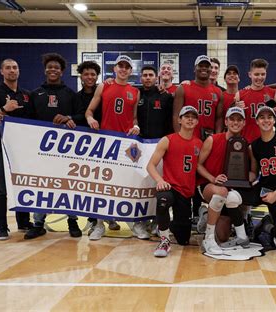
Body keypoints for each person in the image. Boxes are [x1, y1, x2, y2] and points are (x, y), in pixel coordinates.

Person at [25, 53, 84, 240]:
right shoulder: (35, 94)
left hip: (67, 150)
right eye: (50, 67)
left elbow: (80, 116)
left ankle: (72, 221)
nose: (53, 70)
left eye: (56, 68)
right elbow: (27, 121)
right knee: (42, 185)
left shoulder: (70, 94)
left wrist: (70, 118)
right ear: (45, 70)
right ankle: (38, 223)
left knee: (69, 186)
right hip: (42, 150)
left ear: (62, 71)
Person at [85, 54, 140, 240]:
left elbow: (134, 117)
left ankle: (132, 223)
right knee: (104, 185)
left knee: (126, 184)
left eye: (127, 67)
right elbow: (89, 110)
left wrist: (136, 126)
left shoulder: (135, 91)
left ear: (131, 71)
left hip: (125, 143)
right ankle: (100, 224)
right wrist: (91, 119)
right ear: (115, 68)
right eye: (120, 66)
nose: (123, 69)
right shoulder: (104, 85)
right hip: (106, 141)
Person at [0, 58, 32, 240]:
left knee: (23, 185)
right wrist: (4, 109)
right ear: (1, 71)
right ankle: (2, 228)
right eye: (8, 68)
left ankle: (24, 222)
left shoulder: (27, 95)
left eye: (15, 67)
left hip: (22, 149)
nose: (12, 70)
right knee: (1, 188)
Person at [146, 106, 203, 257]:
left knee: (183, 238)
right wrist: (159, 180)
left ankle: (164, 226)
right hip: (170, 187)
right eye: (186, 116)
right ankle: (164, 240)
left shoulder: (199, 144)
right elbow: (150, 165)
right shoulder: (168, 140)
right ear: (179, 120)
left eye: (193, 117)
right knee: (163, 200)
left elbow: (200, 168)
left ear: (197, 121)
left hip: (186, 193)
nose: (190, 119)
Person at [76, 60, 121, 234]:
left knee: (109, 181)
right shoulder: (76, 96)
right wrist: (83, 118)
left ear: (97, 76)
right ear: (80, 75)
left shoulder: (105, 89)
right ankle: (95, 220)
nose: (89, 77)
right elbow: (82, 114)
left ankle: (108, 217)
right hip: (85, 143)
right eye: (86, 74)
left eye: (93, 74)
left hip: (106, 141)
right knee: (92, 183)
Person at [197, 107, 250, 255]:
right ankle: (208, 239)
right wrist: (212, 178)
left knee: (223, 236)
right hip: (209, 184)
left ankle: (207, 216)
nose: (235, 122)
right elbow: (198, 165)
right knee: (220, 192)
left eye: (239, 120)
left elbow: (251, 171)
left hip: (230, 190)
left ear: (244, 123)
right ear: (226, 121)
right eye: (232, 119)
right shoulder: (212, 139)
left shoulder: (245, 144)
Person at [132, 65, 174, 238]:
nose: (147, 78)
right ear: (141, 78)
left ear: (156, 77)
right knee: (140, 186)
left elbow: (171, 121)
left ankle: (158, 221)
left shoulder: (165, 96)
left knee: (158, 185)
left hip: (160, 147)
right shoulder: (136, 94)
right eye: (145, 75)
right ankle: (138, 223)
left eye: (150, 75)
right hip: (140, 147)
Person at [246, 106, 276, 250]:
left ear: (274, 120)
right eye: (262, 117)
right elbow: (254, 173)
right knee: (234, 197)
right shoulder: (253, 146)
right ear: (256, 121)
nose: (266, 120)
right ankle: (243, 225)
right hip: (262, 188)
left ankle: (266, 225)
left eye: (269, 117)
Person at [173, 55, 223, 140]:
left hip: (208, 139)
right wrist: (179, 138)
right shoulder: (183, 88)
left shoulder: (218, 92)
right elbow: (176, 116)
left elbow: (219, 118)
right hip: (188, 137)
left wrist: (216, 138)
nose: (204, 68)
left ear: (210, 70)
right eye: (200, 66)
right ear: (194, 69)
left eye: (207, 66)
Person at [234, 58, 276, 144]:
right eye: (256, 74)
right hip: (246, 141)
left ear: (266, 74)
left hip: (268, 141)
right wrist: (236, 109)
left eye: (262, 74)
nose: (260, 77)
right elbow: (235, 120)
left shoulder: (273, 93)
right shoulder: (240, 94)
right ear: (250, 74)